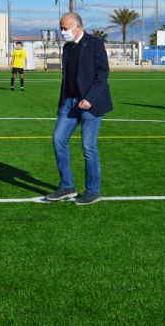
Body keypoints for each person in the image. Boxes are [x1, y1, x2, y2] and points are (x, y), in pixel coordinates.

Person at [46, 13, 113, 205]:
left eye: (65, 28)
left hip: (91, 102)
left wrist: (89, 99)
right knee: (58, 138)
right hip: (70, 101)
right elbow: (66, 79)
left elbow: (102, 74)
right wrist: (62, 103)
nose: (62, 32)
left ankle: (93, 191)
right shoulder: (67, 47)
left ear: (77, 27)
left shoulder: (94, 43)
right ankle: (67, 186)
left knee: (88, 147)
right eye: (61, 28)